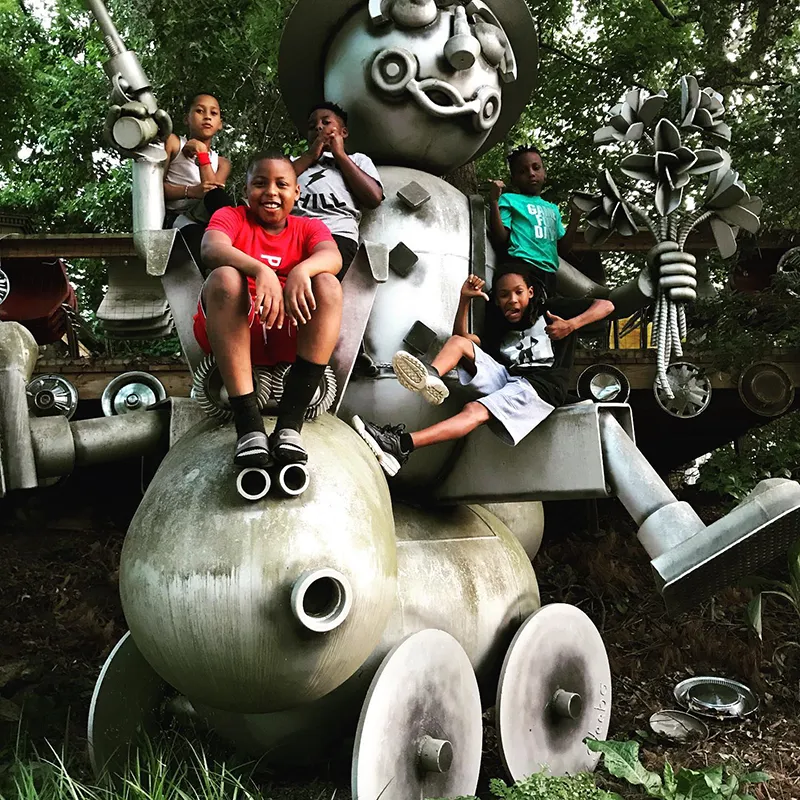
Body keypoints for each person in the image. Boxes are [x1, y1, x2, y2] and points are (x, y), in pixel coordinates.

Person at [351, 267, 614, 476]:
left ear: (530, 292)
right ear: (497, 300)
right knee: (458, 343)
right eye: (503, 295)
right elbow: (462, 338)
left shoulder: (553, 309)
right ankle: (431, 376)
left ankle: (400, 445)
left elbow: (607, 305)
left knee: (474, 410)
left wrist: (572, 325)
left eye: (518, 292)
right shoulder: (499, 327)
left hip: (540, 388)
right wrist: (464, 299)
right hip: (509, 378)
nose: (512, 300)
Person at [195, 151, 342, 468]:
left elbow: (332, 256)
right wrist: (262, 271)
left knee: (328, 284)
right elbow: (211, 248)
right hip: (234, 331)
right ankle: (248, 427)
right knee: (224, 277)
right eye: (260, 183)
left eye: (282, 184)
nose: (271, 192)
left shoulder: (308, 228)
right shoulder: (232, 217)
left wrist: (302, 271)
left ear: (297, 191)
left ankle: (290, 425)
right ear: (246, 190)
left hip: (289, 333)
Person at [291, 102, 384, 278]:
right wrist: (311, 156)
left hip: (337, 234)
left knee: (325, 285)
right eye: (312, 126)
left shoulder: (358, 160)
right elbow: (278, 182)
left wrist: (340, 155)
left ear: (344, 132)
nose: (319, 126)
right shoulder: (295, 161)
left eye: (326, 122)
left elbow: (374, 198)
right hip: (295, 234)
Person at [488, 145, 576, 298]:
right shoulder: (509, 200)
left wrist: (576, 216)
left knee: (546, 316)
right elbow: (501, 238)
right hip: (520, 266)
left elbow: (562, 249)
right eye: (522, 171)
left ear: (544, 173)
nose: (531, 174)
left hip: (548, 273)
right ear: (513, 179)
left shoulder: (553, 209)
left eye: (536, 168)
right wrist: (494, 201)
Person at [163, 93, 232, 268]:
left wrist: (202, 154)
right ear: (187, 118)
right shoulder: (173, 143)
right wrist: (190, 191)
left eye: (213, 113)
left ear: (220, 124)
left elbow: (212, 195)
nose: (207, 116)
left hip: (207, 216)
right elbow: (153, 189)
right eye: (200, 111)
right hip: (178, 217)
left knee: (219, 197)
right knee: (199, 243)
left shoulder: (222, 163)